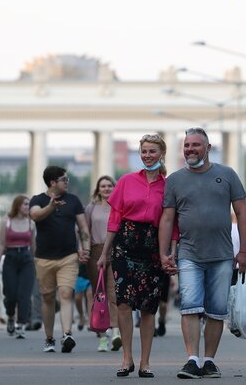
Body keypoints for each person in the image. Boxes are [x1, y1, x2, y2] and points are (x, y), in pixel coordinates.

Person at [159, 127, 246, 379]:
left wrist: (243, 251)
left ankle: (209, 361)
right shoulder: (175, 180)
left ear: (208, 148)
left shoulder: (227, 175)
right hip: (189, 254)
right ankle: (192, 360)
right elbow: (167, 218)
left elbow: (242, 213)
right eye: (187, 145)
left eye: (196, 145)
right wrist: (164, 252)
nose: (190, 149)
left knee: (216, 309)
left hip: (222, 255)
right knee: (190, 306)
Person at [98, 133, 176, 378]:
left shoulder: (169, 186)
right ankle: (127, 358)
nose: (147, 156)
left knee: (148, 307)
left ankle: (145, 362)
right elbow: (114, 219)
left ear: (161, 154)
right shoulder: (126, 181)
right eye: (143, 151)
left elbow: (173, 223)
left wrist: (170, 252)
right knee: (123, 302)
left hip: (153, 247)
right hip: (125, 246)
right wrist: (104, 253)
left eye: (152, 151)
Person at [30, 166, 91, 353]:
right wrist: (51, 207)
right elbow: (35, 215)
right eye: (64, 179)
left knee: (65, 294)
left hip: (68, 256)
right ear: (52, 183)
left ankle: (67, 334)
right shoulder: (38, 200)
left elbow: (83, 228)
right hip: (44, 258)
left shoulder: (73, 201)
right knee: (48, 298)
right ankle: (49, 338)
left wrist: (85, 249)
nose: (67, 182)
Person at [85, 175, 121, 352]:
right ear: (98, 189)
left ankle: (115, 331)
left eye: (109, 186)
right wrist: (83, 250)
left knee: (114, 292)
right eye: (103, 186)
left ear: (115, 188)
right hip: (96, 251)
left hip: (116, 251)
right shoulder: (91, 208)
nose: (106, 189)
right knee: (98, 293)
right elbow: (84, 231)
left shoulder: (119, 206)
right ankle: (101, 336)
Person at [0, 194, 36, 339]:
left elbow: (33, 246)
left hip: (26, 259)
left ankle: (21, 325)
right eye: (25, 204)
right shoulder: (6, 222)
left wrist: (36, 262)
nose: (28, 207)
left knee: (24, 295)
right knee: (10, 294)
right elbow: (1, 244)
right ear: (18, 206)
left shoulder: (30, 223)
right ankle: (10, 317)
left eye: (29, 204)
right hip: (10, 258)